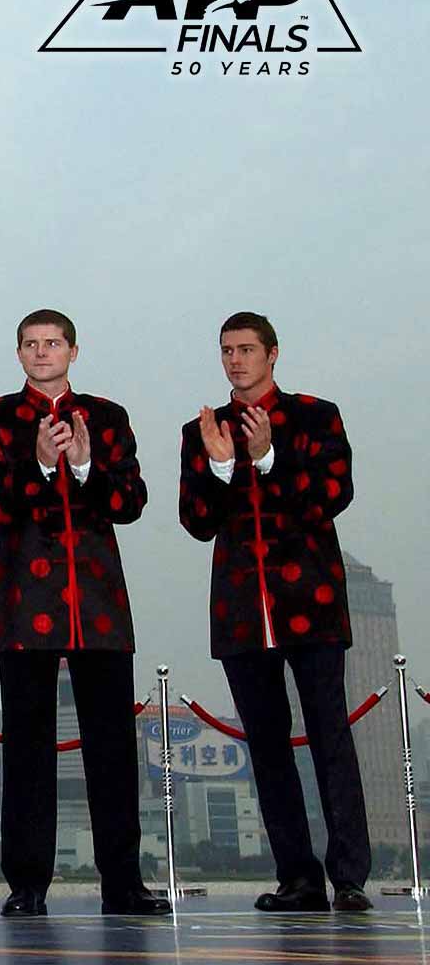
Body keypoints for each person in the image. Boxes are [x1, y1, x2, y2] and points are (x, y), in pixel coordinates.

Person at [0, 309, 169, 917]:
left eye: (52, 343)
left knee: (112, 750)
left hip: (99, 605)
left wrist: (82, 467)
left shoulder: (106, 417)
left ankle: (123, 884)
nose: (42, 353)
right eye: (30, 344)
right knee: (26, 750)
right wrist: (36, 465)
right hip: (26, 605)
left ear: (74, 351)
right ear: (18, 353)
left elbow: (131, 500)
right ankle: (27, 884)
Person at [178, 311, 368, 913]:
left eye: (247, 349)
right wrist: (220, 465)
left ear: (273, 354)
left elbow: (331, 496)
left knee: (329, 737)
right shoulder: (202, 430)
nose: (236, 360)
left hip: (309, 603)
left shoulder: (316, 415)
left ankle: (350, 877)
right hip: (240, 610)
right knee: (266, 745)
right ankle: (298, 876)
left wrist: (267, 459)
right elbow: (197, 521)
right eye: (227, 350)